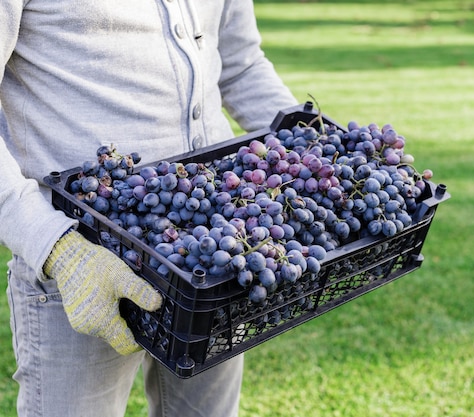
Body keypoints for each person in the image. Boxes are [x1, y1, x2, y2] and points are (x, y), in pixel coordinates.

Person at [0, 1, 298, 416]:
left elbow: (240, 65)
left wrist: (308, 148)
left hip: (215, 253)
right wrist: (59, 251)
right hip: (82, 265)